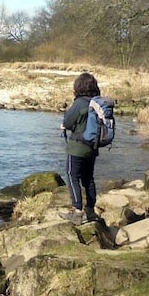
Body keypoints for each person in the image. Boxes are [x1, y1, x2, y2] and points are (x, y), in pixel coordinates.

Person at [61, 72, 101, 225]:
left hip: (77, 147)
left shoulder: (79, 103)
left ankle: (78, 211)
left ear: (78, 87)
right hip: (93, 147)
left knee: (72, 176)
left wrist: (66, 126)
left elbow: (68, 122)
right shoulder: (97, 102)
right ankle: (90, 210)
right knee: (88, 179)